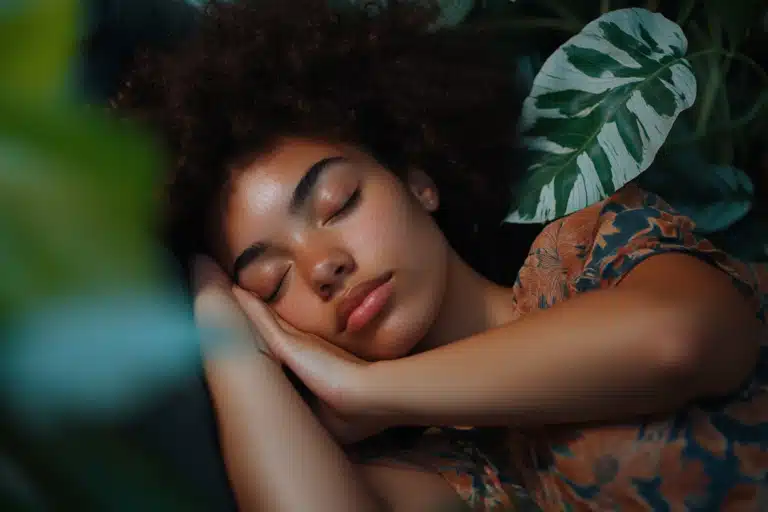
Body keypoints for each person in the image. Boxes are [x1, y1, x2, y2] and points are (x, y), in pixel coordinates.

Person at [113, 0, 768, 510]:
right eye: (271, 278)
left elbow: (680, 341)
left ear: (418, 180)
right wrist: (213, 305)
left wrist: (368, 390)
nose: (322, 267)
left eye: (339, 203)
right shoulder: (463, 468)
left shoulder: (587, 247)